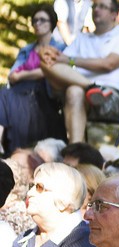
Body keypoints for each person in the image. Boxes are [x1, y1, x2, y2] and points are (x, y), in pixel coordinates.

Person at [39, 0, 119, 144]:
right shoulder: (82, 38)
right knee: (52, 69)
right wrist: (47, 53)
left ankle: (74, 150)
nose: (96, 10)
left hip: (113, 97)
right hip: (84, 92)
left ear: (114, 14)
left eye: (102, 7)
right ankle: (76, 151)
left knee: (74, 89)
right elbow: (59, 60)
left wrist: (71, 60)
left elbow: (108, 64)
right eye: (94, 6)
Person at [0, 5, 67, 155]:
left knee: (15, 99)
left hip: (45, 92)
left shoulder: (61, 48)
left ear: (52, 23)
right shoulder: (27, 49)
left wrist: (24, 74)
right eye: (35, 20)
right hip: (22, 90)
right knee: (4, 93)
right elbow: (12, 75)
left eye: (42, 20)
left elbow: (52, 71)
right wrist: (37, 72)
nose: (37, 23)